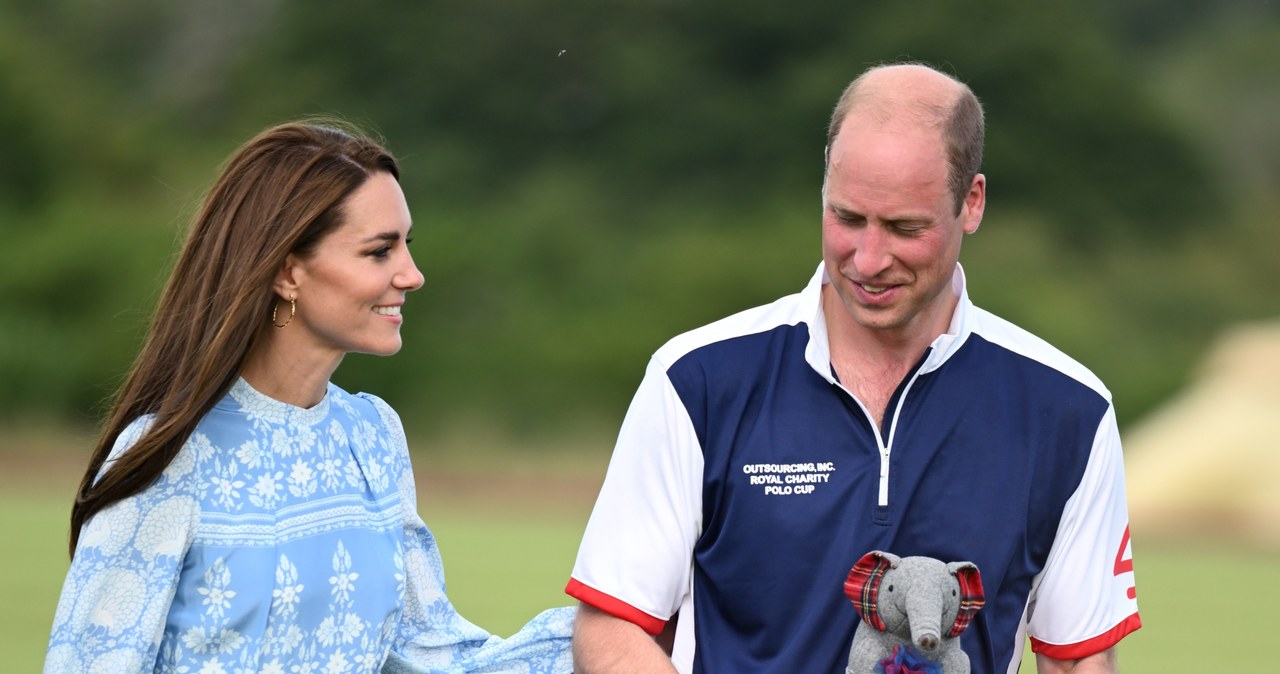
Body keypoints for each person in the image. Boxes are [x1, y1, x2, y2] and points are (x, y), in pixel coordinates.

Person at [566, 63, 1141, 673]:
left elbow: (1078, 660)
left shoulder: (1069, 411)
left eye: (903, 227)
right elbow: (612, 626)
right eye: (847, 218)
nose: (868, 259)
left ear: (970, 203)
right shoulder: (696, 380)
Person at [45, 120, 573, 674]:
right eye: (378, 252)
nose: (412, 275)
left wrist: (619, 629)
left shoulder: (372, 434)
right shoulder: (170, 454)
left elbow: (435, 655)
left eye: (406, 247)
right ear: (288, 272)